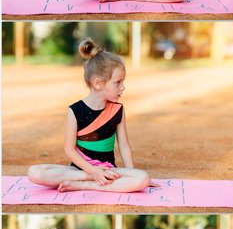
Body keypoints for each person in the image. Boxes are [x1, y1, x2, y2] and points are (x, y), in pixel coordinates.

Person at [26, 39, 149, 195]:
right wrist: (93, 172)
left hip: (108, 170)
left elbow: (124, 145)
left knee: (143, 178)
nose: (123, 87)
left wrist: (131, 173)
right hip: (79, 170)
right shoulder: (75, 111)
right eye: (118, 82)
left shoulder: (118, 109)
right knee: (34, 172)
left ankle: (84, 185)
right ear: (98, 83)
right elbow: (69, 150)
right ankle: (87, 179)